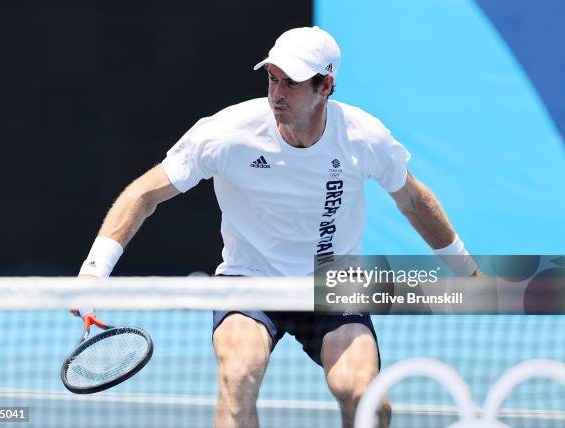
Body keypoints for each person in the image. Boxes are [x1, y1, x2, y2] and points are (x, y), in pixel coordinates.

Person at [73, 26, 479, 428]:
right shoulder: (227, 133)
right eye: (272, 78)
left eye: (292, 82)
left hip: (330, 281)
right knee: (238, 375)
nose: (277, 92)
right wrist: (94, 272)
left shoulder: (362, 137)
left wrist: (468, 273)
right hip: (250, 279)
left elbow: (413, 199)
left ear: (326, 87)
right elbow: (144, 193)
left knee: (362, 396)